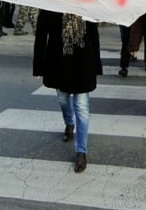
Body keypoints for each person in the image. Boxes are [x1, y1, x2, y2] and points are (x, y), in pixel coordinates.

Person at [33, 9, 102, 173]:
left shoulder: (85, 1)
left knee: (82, 107)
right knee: (63, 99)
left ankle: (81, 151)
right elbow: (41, 34)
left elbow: (93, 33)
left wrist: (96, 65)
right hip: (59, 62)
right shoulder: (51, 1)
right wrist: (39, 66)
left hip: (83, 63)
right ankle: (69, 123)